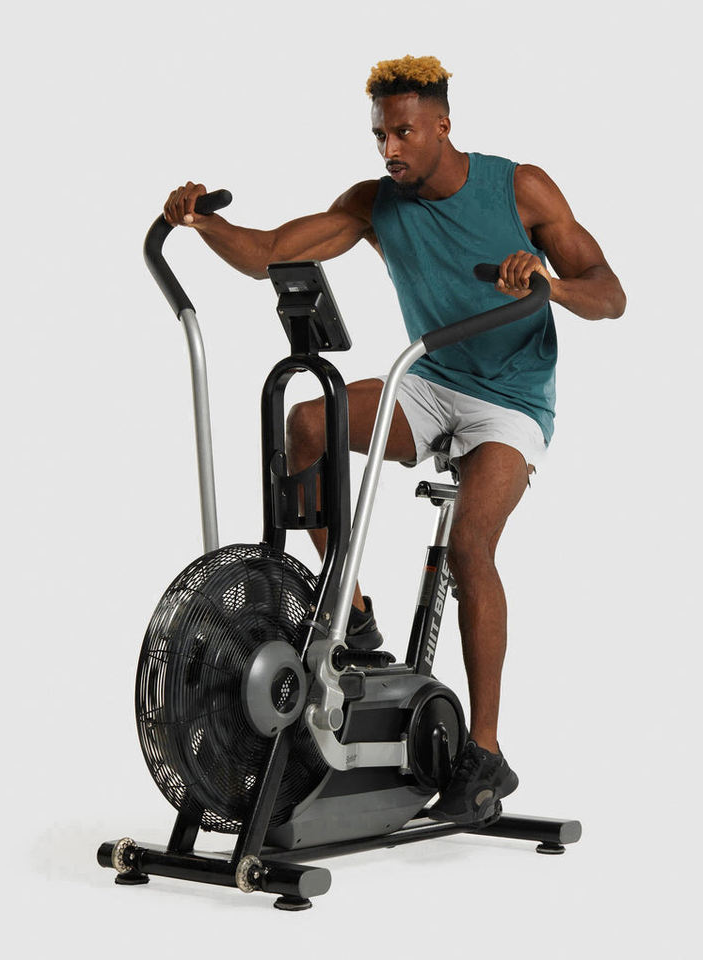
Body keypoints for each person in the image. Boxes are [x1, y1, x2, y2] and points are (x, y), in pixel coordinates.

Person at [163, 55, 626, 823]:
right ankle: (356, 613)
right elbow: (269, 249)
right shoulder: (376, 204)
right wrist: (203, 223)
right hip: (431, 380)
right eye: (380, 135)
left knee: (470, 547)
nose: (389, 149)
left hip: (510, 402)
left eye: (404, 132)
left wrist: (551, 285)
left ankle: (484, 753)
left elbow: (611, 295)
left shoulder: (521, 189)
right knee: (307, 421)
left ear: (442, 124)